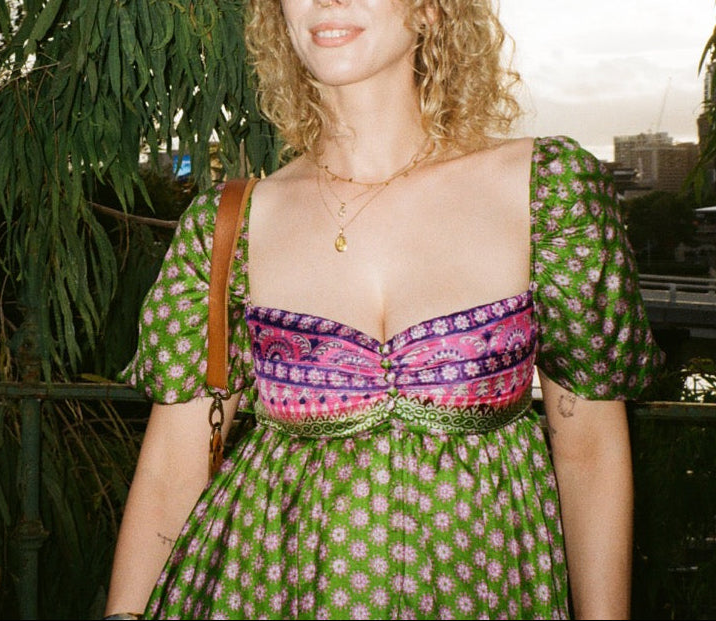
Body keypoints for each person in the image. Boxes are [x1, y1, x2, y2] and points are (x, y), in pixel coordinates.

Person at [104, 0, 665, 619]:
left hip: (483, 588)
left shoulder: (545, 193)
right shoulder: (229, 225)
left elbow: (589, 449)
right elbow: (172, 468)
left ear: (429, 10)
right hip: (270, 589)